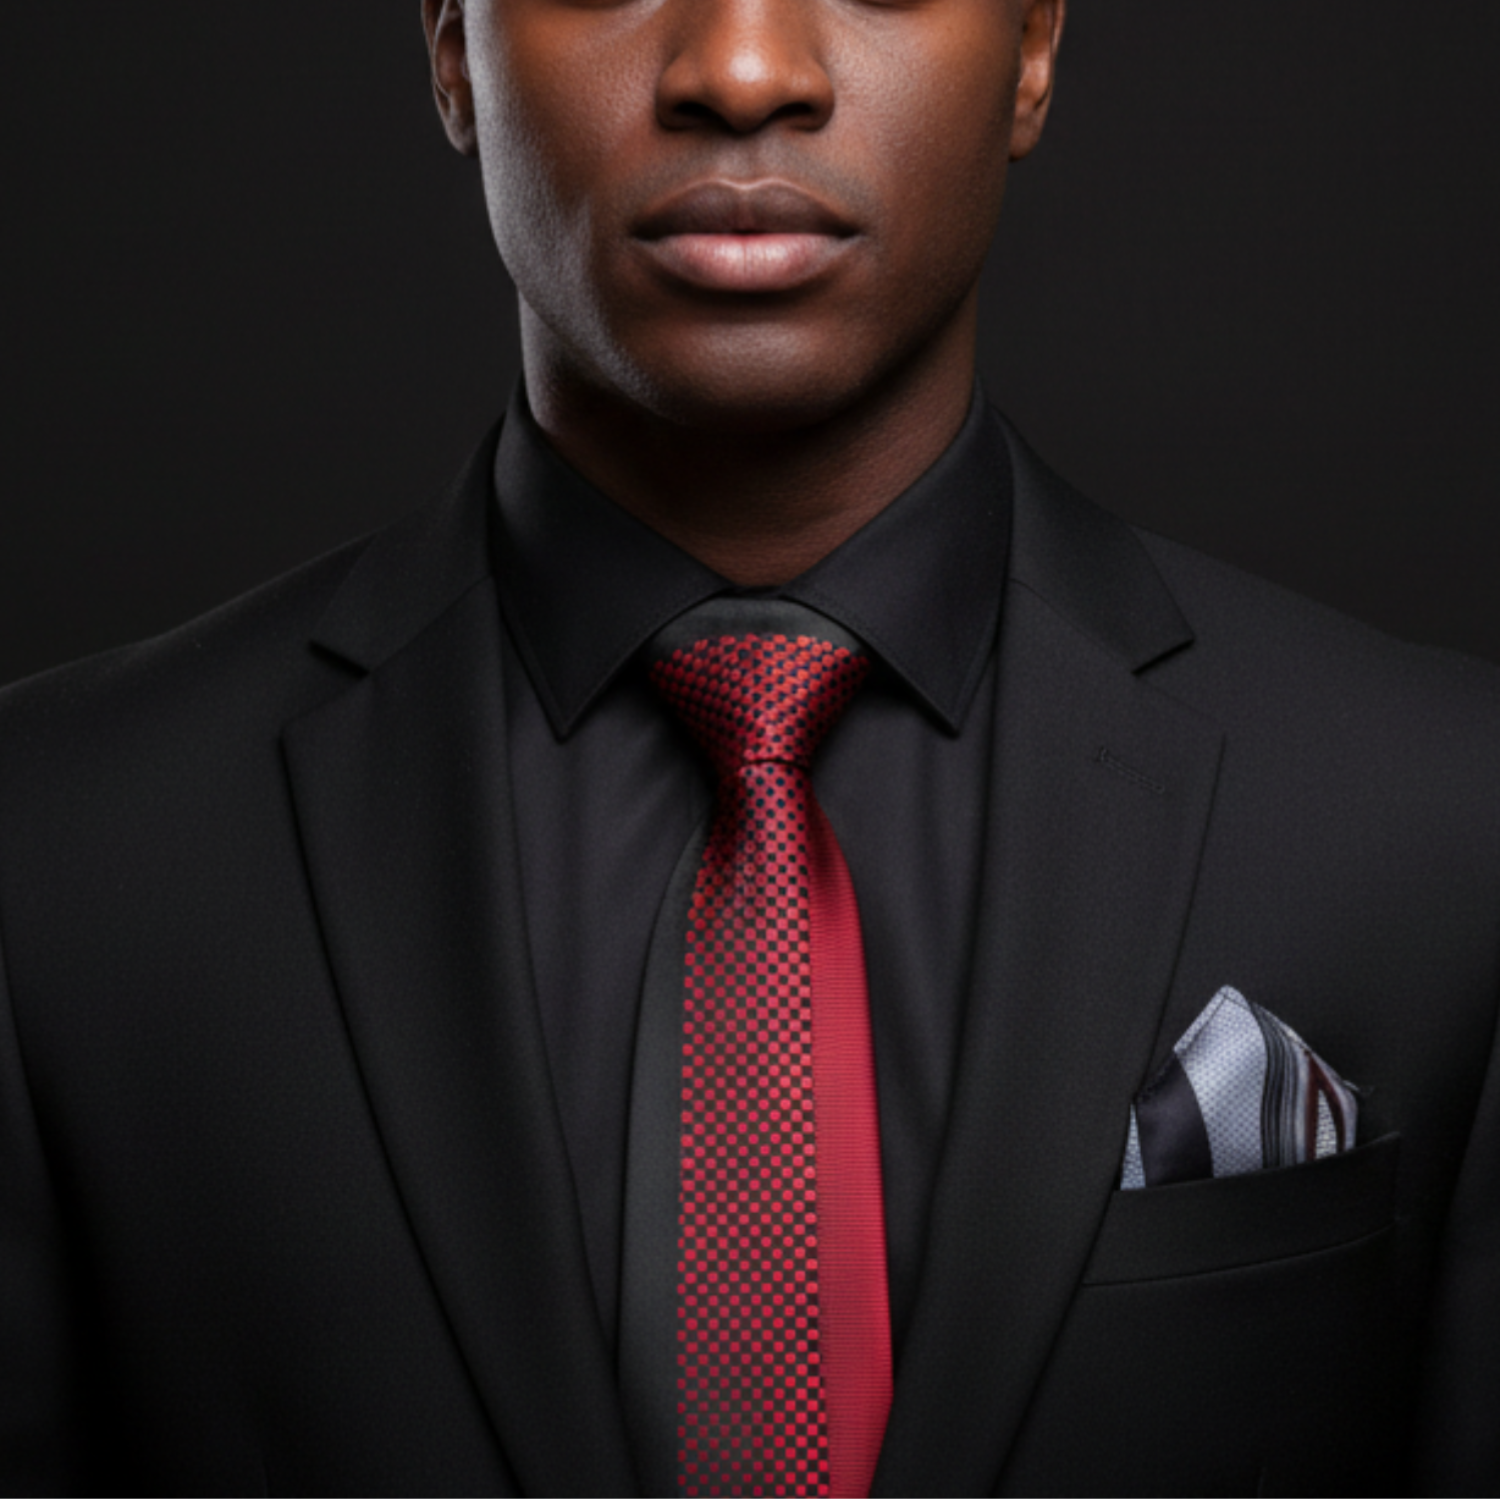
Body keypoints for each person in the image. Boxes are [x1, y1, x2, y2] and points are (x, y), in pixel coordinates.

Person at [0, 0, 1495, 1495]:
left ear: (1034, 48)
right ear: (454, 48)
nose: (743, 70)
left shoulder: (1445, 826)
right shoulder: (60, 858)